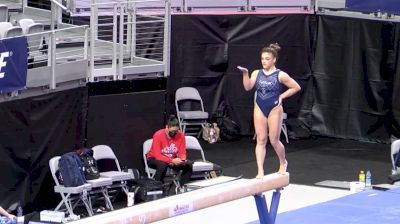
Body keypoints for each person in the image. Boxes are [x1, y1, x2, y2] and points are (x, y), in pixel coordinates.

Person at [237, 43, 301, 178]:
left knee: (274, 140)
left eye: (267, 59)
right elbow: (248, 87)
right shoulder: (257, 73)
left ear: (274, 60)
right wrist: (245, 74)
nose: (264, 61)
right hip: (260, 107)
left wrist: (282, 96)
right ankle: (260, 170)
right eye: (262, 59)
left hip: (274, 108)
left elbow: (296, 87)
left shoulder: (280, 75)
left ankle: (283, 162)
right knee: (260, 139)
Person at [146, 115, 193, 186]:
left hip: (172, 159)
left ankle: (182, 186)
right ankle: (157, 187)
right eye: (172, 131)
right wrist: (171, 160)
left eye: (176, 131)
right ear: (166, 127)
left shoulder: (181, 135)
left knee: (188, 164)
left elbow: (182, 152)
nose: (174, 133)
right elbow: (158, 156)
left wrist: (182, 160)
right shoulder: (158, 135)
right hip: (154, 158)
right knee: (162, 165)